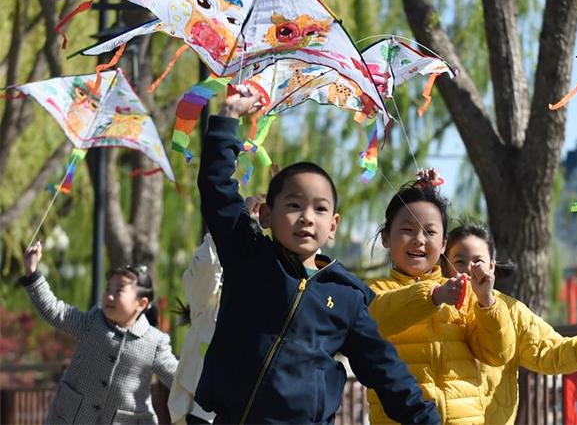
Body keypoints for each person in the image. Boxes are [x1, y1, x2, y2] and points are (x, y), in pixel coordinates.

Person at [194, 91, 441, 425]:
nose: (307, 217)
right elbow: (216, 189)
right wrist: (226, 118)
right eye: (294, 205)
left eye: (320, 208)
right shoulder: (247, 256)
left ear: (333, 225)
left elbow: (386, 371)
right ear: (266, 215)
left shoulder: (347, 296)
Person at [365, 173, 516, 425]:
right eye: (407, 230)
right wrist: (433, 296)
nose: (419, 240)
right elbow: (381, 317)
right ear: (386, 238)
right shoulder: (374, 290)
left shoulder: (462, 292)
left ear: (444, 243)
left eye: (430, 231)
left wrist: (487, 301)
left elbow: (498, 354)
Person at [443, 221, 577, 425]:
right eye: (459, 261)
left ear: (491, 266)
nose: (470, 269)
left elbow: (548, 352)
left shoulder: (512, 311)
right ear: (444, 265)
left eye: (478, 261)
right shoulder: (433, 304)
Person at [20, 242, 177, 425]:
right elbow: (55, 312)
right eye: (108, 288)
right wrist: (32, 272)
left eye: (119, 291)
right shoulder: (92, 322)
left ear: (141, 304)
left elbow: (178, 379)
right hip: (72, 418)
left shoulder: (155, 342)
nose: (109, 295)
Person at [168, 196, 264, 425]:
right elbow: (206, 265)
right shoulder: (208, 302)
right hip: (202, 413)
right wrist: (234, 219)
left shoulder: (265, 300)